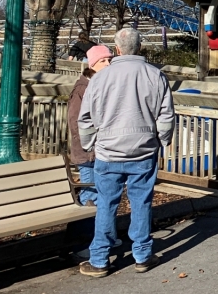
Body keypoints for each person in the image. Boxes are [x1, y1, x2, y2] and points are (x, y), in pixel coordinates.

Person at [77, 28, 175, 277]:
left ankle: (100, 259)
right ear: (139, 47)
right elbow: (166, 117)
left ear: (117, 49)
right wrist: (163, 140)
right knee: (141, 203)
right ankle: (142, 255)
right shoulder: (156, 76)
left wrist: (89, 144)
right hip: (143, 150)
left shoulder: (100, 78)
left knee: (106, 204)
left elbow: (85, 118)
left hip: (108, 151)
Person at [66, 44, 113, 205]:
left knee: (99, 192)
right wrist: (88, 146)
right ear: (92, 64)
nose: (108, 64)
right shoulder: (82, 88)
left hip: (100, 150)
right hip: (87, 152)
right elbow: (75, 121)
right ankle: (83, 229)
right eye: (103, 61)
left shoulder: (100, 84)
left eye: (109, 60)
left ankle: (93, 228)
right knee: (90, 194)